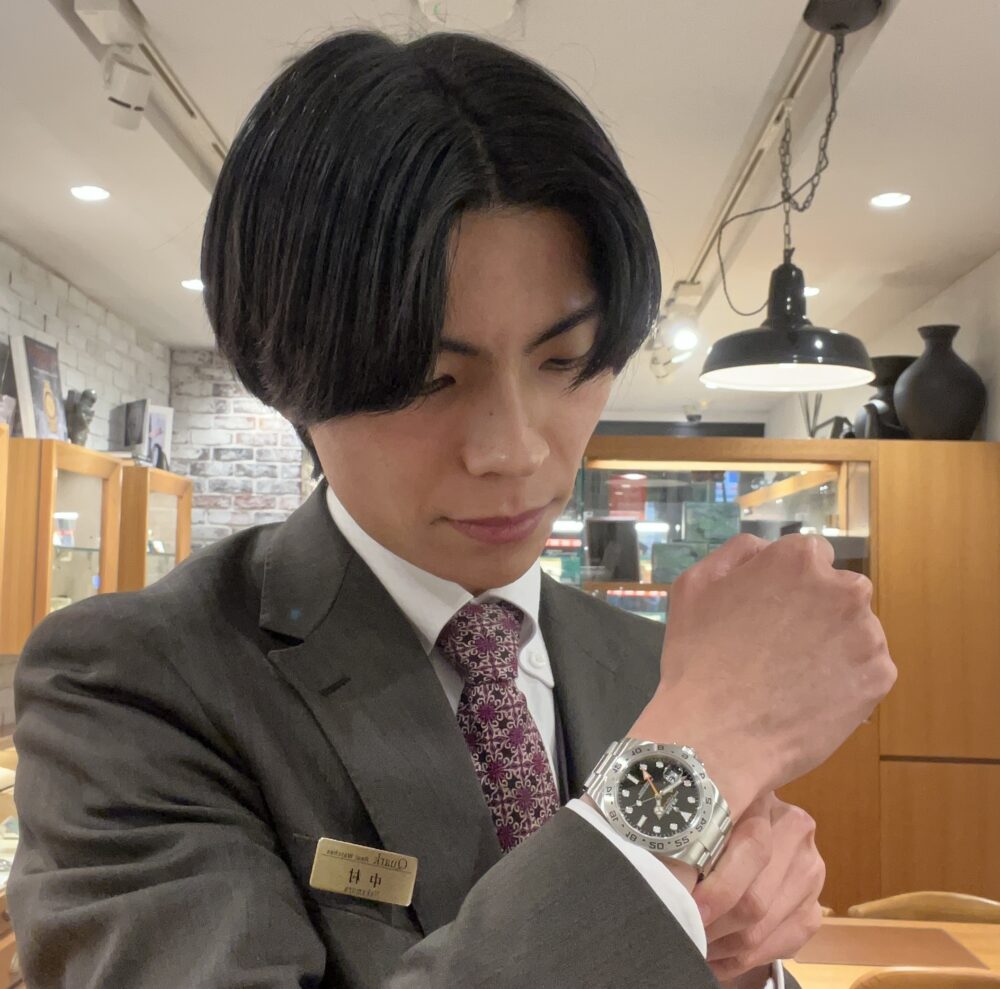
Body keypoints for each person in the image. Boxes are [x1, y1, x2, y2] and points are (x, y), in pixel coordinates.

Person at [8, 29, 896, 989]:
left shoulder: (648, 666)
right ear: (286, 372)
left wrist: (748, 961)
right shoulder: (137, 684)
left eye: (566, 360)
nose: (515, 449)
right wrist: (687, 771)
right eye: (429, 379)